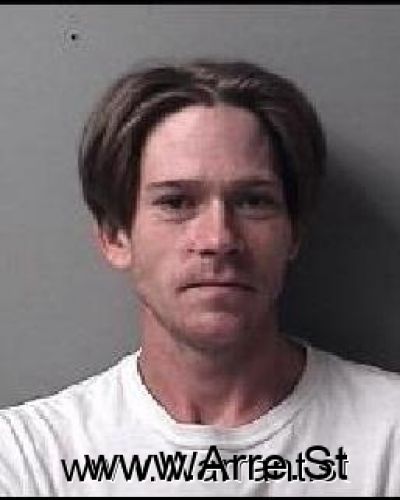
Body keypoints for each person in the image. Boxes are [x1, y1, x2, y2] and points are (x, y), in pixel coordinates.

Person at [0, 58, 399, 497]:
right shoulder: (29, 457)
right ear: (115, 236)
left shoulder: (390, 436)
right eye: (176, 202)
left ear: (295, 233)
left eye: (252, 201)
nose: (218, 239)